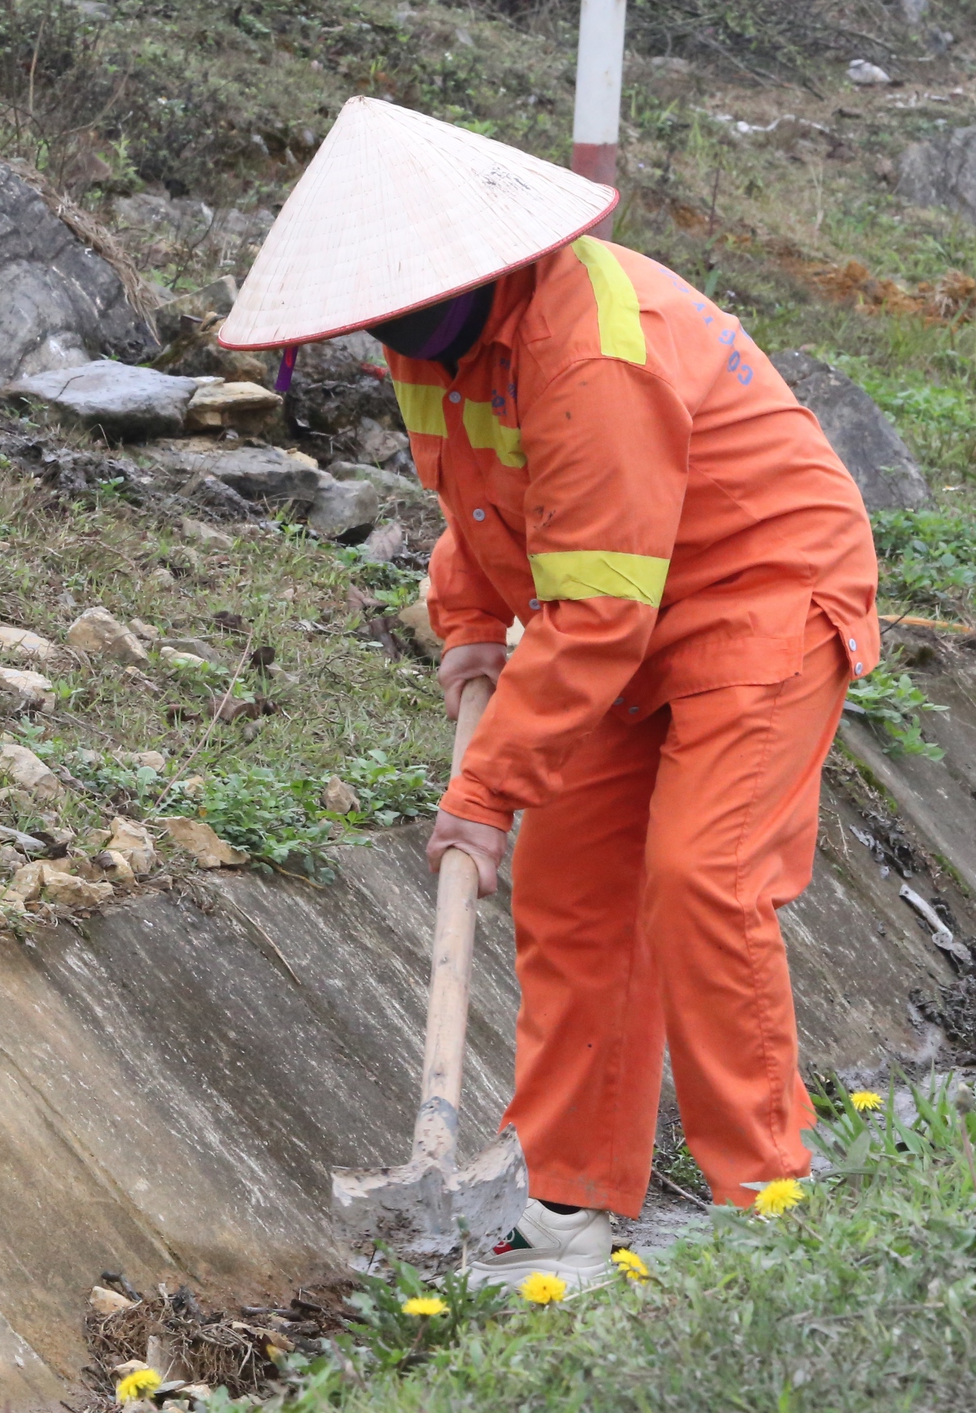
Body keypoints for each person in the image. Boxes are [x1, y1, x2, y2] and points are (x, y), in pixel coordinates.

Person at [218, 98, 880, 1289]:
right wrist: (472, 623)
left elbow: (596, 618)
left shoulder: (594, 352)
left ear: (473, 260)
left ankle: (771, 1200)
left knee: (700, 876)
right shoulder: (428, 342)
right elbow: (477, 502)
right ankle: (568, 1206)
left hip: (759, 586)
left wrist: (482, 791)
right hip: (612, 598)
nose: (385, 335)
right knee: (571, 898)